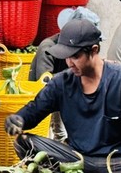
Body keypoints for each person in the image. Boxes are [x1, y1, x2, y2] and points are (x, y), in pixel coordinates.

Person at [4, 19, 121, 173]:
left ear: (94, 50)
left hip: (116, 162)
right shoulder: (61, 83)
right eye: (66, 57)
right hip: (76, 161)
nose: (69, 63)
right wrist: (19, 119)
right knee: (23, 143)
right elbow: (34, 110)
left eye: (75, 56)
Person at [29, 7, 102, 142]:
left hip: (66, 90)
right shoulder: (47, 48)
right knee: (58, 132)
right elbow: (45, 83)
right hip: (45, 92)